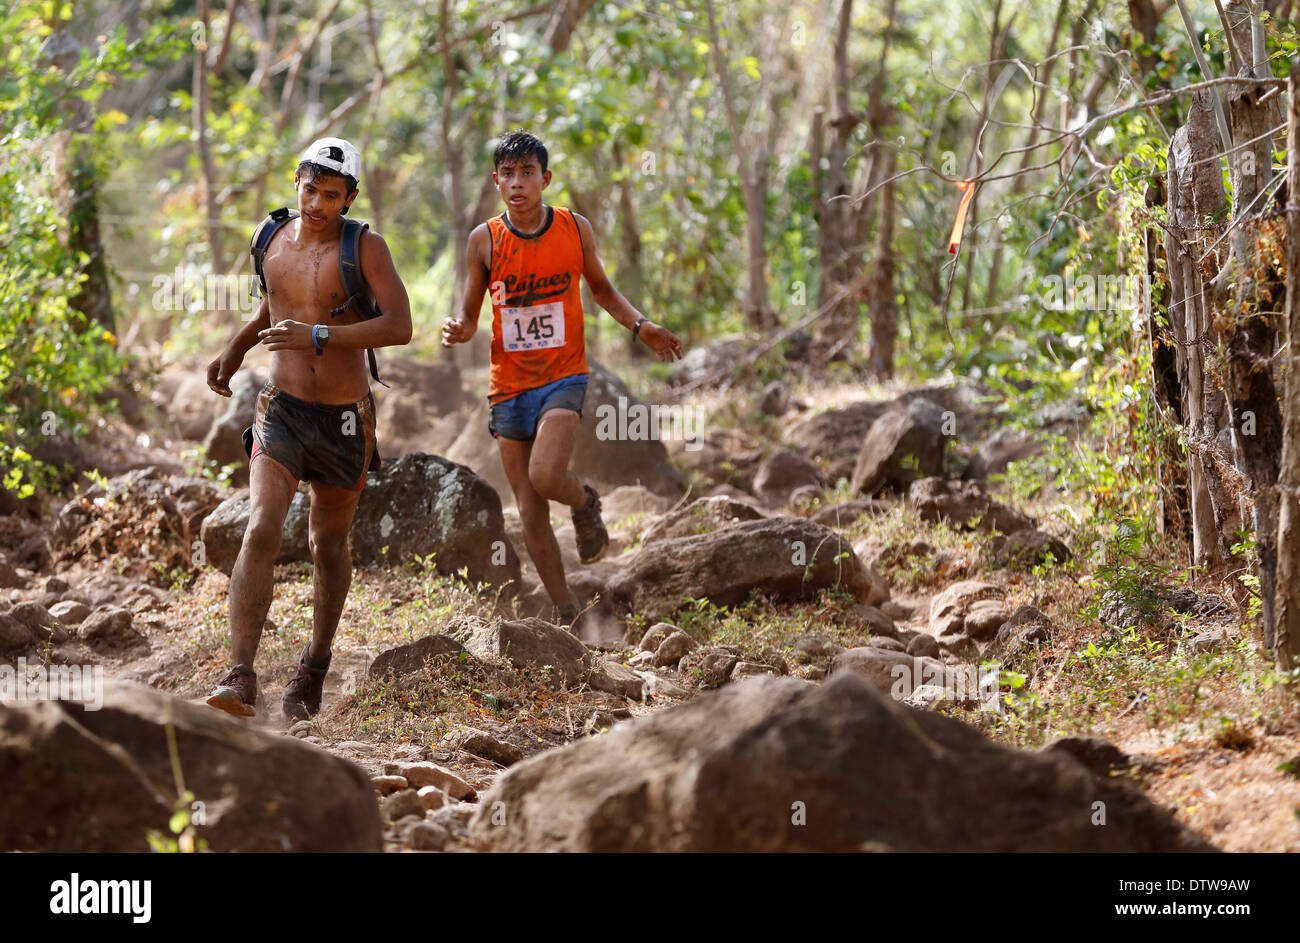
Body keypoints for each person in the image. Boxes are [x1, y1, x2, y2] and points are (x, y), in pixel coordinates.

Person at [204, 137, 412, 719]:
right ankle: (239, 673)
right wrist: (234, 350)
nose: (317, 203)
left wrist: (319, 335)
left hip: (346, 419)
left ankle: (313, 667)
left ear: (348, 199)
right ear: (295, 179)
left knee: (328, 544)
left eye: (331, 195)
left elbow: (400, 326)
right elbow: (273, 309)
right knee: (261, 527)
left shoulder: (365, 247)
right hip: (284, 410)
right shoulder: (269, 238)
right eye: (309, 189)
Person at [441, 129, 683, 627]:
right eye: (507, 174)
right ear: (495, 181)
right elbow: (469, 314)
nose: (517, 183)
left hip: (563, 376)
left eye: (527, 172)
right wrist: (458, 328)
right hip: (508, 385)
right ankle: (565, 609)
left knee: (547, 476)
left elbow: (602, 290)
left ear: (545, 179)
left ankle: (584, 500)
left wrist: (642, 327)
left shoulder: (574, 229)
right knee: (529, 508)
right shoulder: (483, 241)